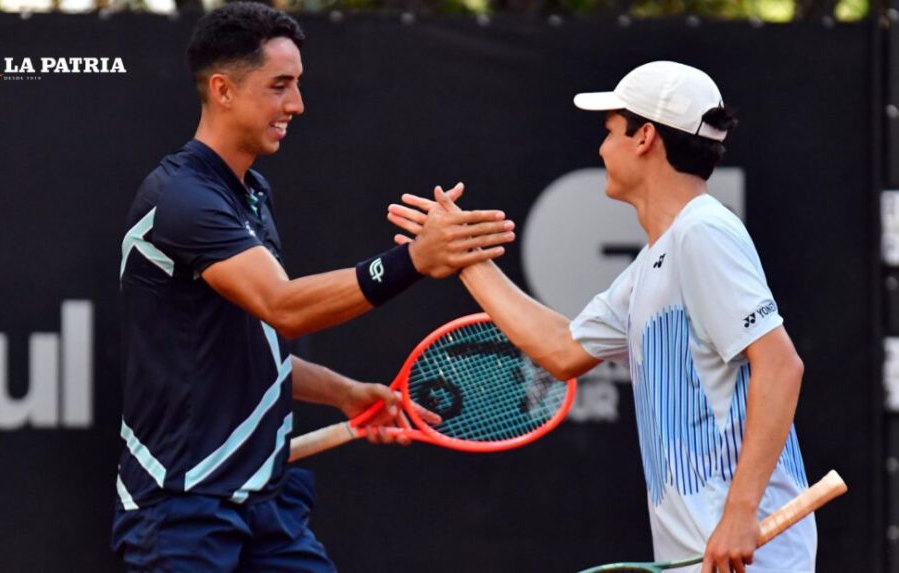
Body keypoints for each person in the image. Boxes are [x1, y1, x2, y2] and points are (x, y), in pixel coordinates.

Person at [112, 3, 516, 571]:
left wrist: (345, 392)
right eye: (280, 86)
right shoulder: (183, 200)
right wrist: (414, 260)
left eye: (297, 85)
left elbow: (247, 344)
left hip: (265, 509)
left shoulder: (250, 193)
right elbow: (283, 309)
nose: (296, 105)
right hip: (181, 509)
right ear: (223, 90)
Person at [389, 61, 815, 573]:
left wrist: (740, 515)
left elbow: (780, 365)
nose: (601, 148)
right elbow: (563, 350)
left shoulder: (703, 233)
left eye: (610, 131)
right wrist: (465, 260)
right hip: (702, 556)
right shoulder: (658, 258)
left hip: (750, 554)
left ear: (645, 138)